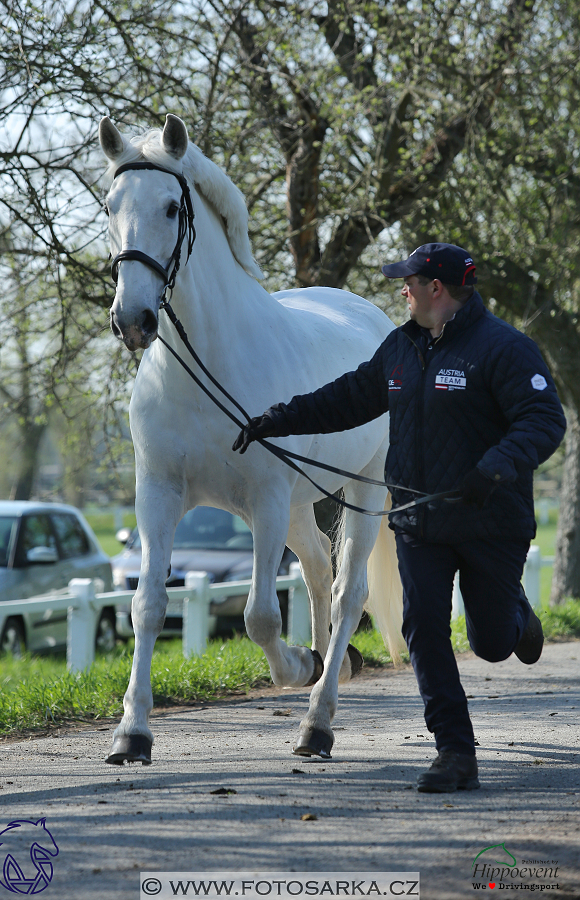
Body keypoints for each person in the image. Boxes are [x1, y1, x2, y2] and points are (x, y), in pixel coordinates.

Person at [232, 243, 567, 793]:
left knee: (489, 642)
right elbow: (348, 398)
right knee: (424, 630)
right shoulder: (401, 347)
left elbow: (543, 418)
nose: (401, 290)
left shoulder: (504, 349)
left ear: (437, 288)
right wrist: (278, 418)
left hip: (490, 520)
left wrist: (496, 467)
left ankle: (514, 618)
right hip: (419, 522)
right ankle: (455, 753)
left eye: (408, 282)